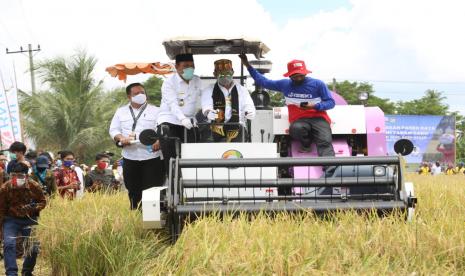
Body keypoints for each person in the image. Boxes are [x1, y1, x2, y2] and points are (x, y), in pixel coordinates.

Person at [239, 54, 335, 156]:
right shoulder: (285, 84)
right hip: (299, 120)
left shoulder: (318, 84)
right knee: (295, 129)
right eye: (295, 75)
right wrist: (248, 65)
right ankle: (306, 144)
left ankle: (330, 171)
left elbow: (331, 103)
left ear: (305, 73)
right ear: (289, 75)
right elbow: (263, 81)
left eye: (301, 75)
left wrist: (315, 106)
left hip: (318, 118)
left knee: (325, 141)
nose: (298, 78)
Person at [109, 82, 165, 209]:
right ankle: (136, 218)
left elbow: (163, 129)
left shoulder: (157, 110)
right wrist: (121, 138)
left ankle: (153, 221)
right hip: (130, 157)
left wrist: (159, 141)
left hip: (152, 157)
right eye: (136, 93)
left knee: (152, 192)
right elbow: (113, 130)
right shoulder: (120, 112)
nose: (140, 95)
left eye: (142, 92)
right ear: (129, 97)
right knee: (133, 190)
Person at [0, 162, 46, 276]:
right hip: (11, 219)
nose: (17, 178)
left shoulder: (34, 186)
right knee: (9, 244)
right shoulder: (5, 188)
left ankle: (27, 271)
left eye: (20, 176)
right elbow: (1, 209)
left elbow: (43, 202)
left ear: (26, 175)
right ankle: (11, 273)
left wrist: (33, 207)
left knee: (33, 247)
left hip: (30, 219)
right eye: (14, 175)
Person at [158, 53, 203, 169]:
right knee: (172, 158)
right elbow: (172, 104)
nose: (189, 69)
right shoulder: (169, 82)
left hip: (190, 122)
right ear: (177, 66)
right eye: (185, 66)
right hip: (170, 122)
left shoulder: (197, 80)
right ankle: (174, 183)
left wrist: (208, 109)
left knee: (193, 156)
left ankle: (191, 184)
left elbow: (204, 97)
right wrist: (182, 118)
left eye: (192, 66)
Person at [201, 59, 256, 142]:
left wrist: (249, 112)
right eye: (221, 73)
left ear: (232, 72)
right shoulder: (209, 90)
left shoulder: (242, 90)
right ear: (215, 74)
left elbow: (249, 105)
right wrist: (209, 112)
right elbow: (206, 106)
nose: (225, 75)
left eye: (227, 72)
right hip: (216, 128)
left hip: (237, 128)